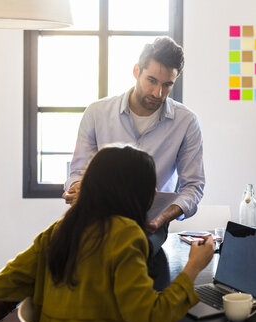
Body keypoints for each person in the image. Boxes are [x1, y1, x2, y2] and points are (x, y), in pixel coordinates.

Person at [0, 146, 215, 322]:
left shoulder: (59, 229)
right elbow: (150, 317)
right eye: (150, 186)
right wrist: (193, 267)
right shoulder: (126, 235)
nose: (154, 193)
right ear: (135, 191)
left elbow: (0, 286)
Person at [63, 37, 205, 253]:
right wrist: (76, 188)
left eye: (167, 85)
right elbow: (78, 172)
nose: (158, 93)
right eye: (152, 80)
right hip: (97, 219)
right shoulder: (96, 113)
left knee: (133, 253)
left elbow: (193, 187)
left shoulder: (186, 122)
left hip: (150, 225)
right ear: (136, 70)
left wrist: (162, 219)